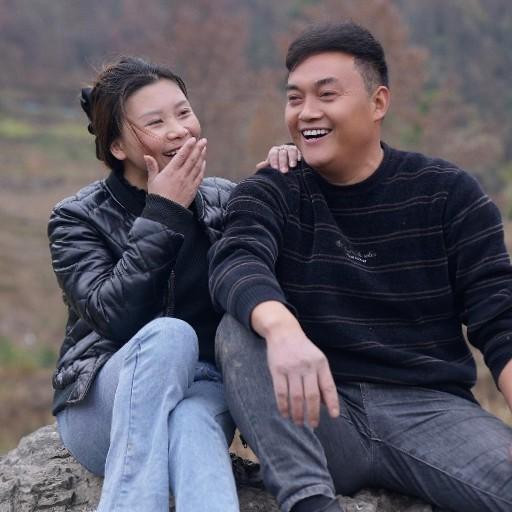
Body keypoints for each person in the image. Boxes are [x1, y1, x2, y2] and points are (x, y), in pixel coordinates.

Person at [209, 22, 512, 512]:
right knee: (241, 328)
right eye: (295, 98)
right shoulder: (272, 189)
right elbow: (235, 260)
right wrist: (283, 330)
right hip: (319, 411)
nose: (307, 112)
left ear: (378, 103)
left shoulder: (448, 193)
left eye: (327, 95)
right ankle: (310, 502)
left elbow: (499, 319)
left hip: (433, 414)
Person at [48, 55, 298, 512]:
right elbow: (113, 317)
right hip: (104, 404)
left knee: (193, 421)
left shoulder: (225, 198)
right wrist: (164, 214)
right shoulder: (76, 218)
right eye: (156, 122)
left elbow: (284, 272)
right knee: (170, 336)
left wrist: (289, 177)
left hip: (203, 387)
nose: (180, 130)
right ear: (117, 146)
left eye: (183, 112)